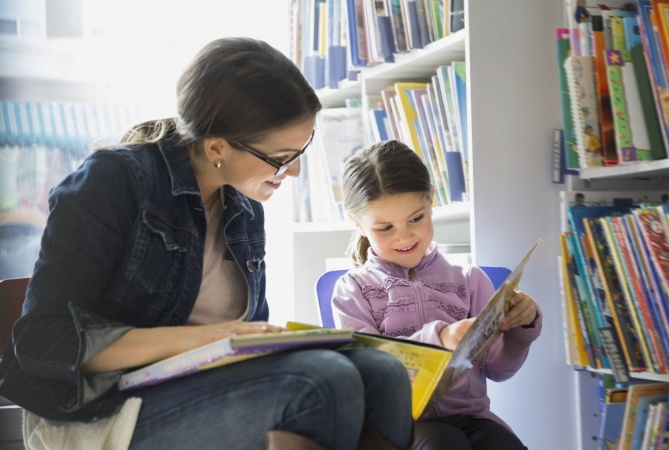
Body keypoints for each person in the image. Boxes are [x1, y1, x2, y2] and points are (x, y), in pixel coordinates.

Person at [0, 38, 414, 450]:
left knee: (384, 372)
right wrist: (210, 337)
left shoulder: (244, 205)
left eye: (301, 150)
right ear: (217, 147)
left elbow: (246, 333)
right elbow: (42, 339)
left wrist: (263, 339)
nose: (294, 171)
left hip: (198, 385)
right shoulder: (115, 179)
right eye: (281, 157)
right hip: (97, 410)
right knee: (322, 380)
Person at [331, 140, 543, 450]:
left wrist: (522, 329)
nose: (404, 236)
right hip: (395, 428)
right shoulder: (353, 290)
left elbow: (498, 370)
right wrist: (439, 340)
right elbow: (370, 376)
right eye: (385, 227)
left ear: (431, 199)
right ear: (357, 223)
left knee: (502, 444)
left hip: (471, 418)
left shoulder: (468, 280)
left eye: (416, 219)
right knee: (443, 443)